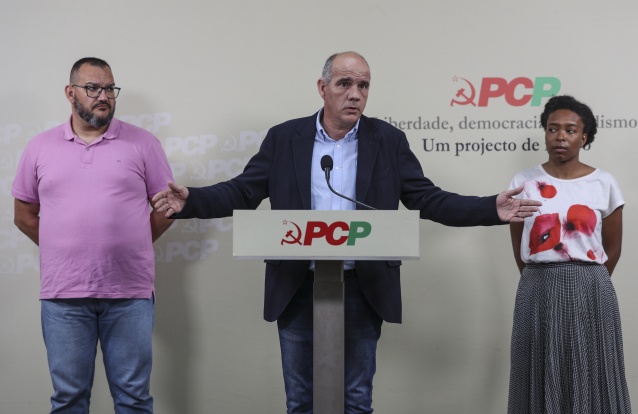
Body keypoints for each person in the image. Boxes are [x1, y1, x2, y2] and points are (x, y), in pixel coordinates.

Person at [152, 51, 541, 413]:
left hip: (362, 284)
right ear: (322, 88)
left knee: (356, 398)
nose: (355, 94)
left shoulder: (387, 141)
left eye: (363, 85)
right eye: (344, 84)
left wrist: (489, 208)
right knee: (300, 399)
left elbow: (426, 198)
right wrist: (193, 200)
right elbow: (242, 191)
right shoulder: (285, 138)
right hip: (297, 283)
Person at [12, 57, 174, 413]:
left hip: (129, 293)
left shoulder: (144, 144)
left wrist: (129, 243)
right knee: (69, 399)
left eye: (110, 89)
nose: (104, 96)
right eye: (93, 88)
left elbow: (166, 208)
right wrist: (63, 247)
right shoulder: (39, 147)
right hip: (63, 295)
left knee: (133, 399)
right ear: (70, 93)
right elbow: (23, 215)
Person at [507, 95, 630, 413]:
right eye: (553, 129)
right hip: (537, 286)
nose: (560, 136)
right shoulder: (524, 182)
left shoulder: (603, 182)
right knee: (538, 366)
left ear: (584, 137)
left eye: (570, 130)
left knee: (592, 367)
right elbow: (520, 244)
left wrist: (587, 279)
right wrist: (541, 275)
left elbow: (613, 247)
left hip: (591, 287)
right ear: (545, 133)